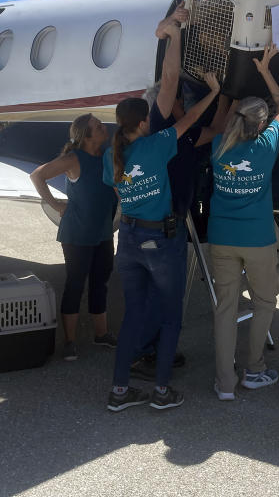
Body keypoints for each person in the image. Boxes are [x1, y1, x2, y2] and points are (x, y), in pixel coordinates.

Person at [103, 72, 221, 412]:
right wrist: (214, 91)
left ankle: (120, 392)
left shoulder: (112, 156)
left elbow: (117, 190)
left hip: (127, 239)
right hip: (160, 239)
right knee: (171, 317)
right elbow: (192, 119)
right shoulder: (155, 145)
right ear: (143, 123)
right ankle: (161, 391)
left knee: (132, 316)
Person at [129, 6, 229, 380]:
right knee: (157, 296)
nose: (186, 102)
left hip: (170, 227)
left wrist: (226, 93)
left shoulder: (185, 137)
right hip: (158, 228)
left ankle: (152, 351)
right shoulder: (160, 128)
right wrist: (174, 35)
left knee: (162, 295)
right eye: (181, 100)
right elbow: (169, 78)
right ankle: (144, 356)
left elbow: (217, 128)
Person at [208, 43, 279, 400]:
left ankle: (225, 382)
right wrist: (265, 70)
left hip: (221, 237)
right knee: (264, 301)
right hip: (257, 239)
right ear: (261, 124)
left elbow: (226, 122)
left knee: (225, 308)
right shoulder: (266, 145)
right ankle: (254, 369)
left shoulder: (217, 148)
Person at [31, 113, 118, 361]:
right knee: (75, 284)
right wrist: (55, 204)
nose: (104, 129)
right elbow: (37, 175)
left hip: (102, 232)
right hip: (77, 234)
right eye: (98, 127)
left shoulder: (105, 156)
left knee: (101, 281)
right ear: (86, 136)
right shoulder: (73, 159)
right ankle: (69, 341)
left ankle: (100, 334)